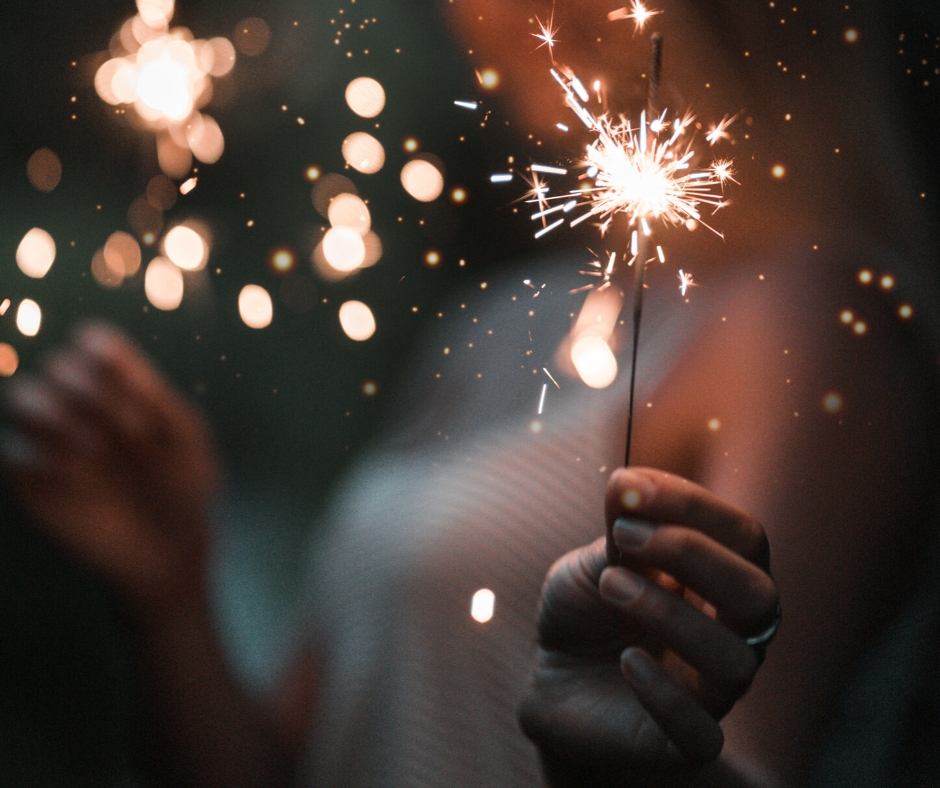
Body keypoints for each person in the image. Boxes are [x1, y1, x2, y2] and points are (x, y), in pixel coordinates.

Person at [1, 1, 937, 787]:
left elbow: (738, 755)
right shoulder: (487, 327)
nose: (477, 12)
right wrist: (167, 589)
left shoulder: (809, 316)